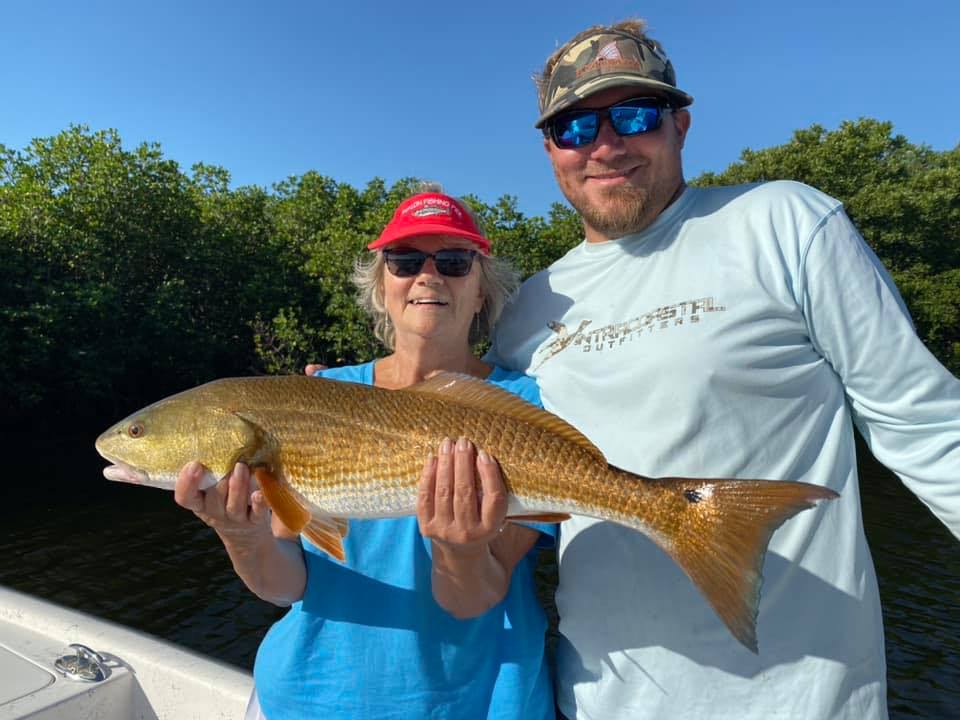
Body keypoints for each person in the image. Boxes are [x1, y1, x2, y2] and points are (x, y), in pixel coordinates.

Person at [480, 18, 960, 720]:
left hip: (804, 701)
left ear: (680, 124)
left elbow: (927, 427)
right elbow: (461, 428)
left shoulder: (783, 221)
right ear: (550, 148)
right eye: (575, 128)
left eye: (634, 115)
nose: (605, 146)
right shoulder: (526, 309)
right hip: (596, 700)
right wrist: (341, 397)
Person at [174, 188, 556, 720]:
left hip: (478, 702)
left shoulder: (524, 409)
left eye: (453, 261)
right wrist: (241, 533)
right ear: (381, 288)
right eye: (402, 261)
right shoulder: (315, 393)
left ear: (482, 292)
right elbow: (285, 584)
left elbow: (471, 600)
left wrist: (460, 550)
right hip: (308, 699)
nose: (427, 275)